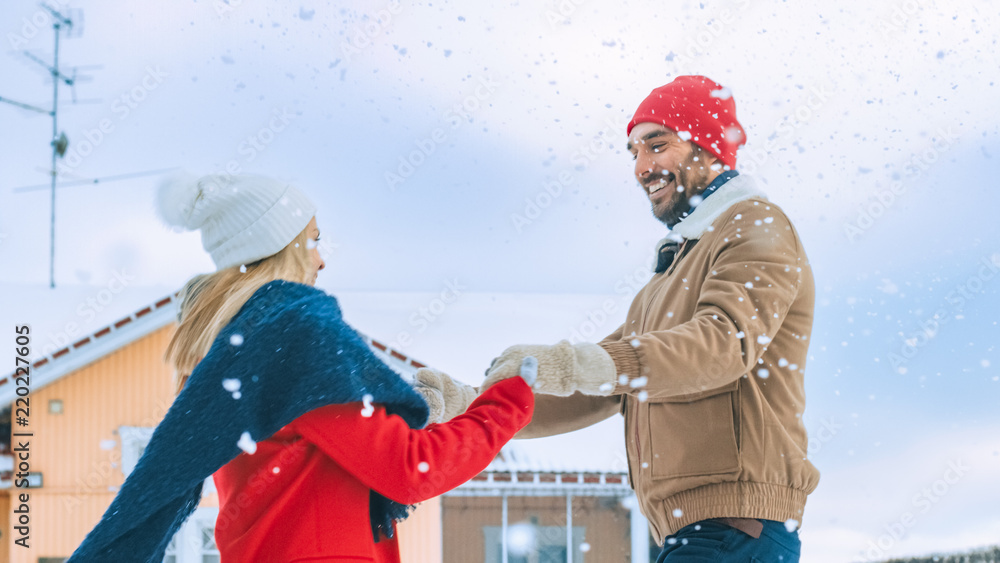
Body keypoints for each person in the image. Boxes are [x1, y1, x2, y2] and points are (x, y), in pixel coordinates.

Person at [416, 75, 820, 562]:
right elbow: (605, 384)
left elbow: (723, 343)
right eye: (633, 152)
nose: (642, 167)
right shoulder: (672, 273)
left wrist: (573, 363)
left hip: (735, 525)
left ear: (708, 146)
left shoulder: (754, 225)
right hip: (693, 531)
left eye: (657, 145)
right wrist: (473, 404)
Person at [67, 173, 537, 563]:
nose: (321, 258)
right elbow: (412, 467)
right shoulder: (296, 337)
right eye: (311, 240)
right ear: (280, 247)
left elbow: (335, 444)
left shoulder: (231, 348)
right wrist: (505, 402)